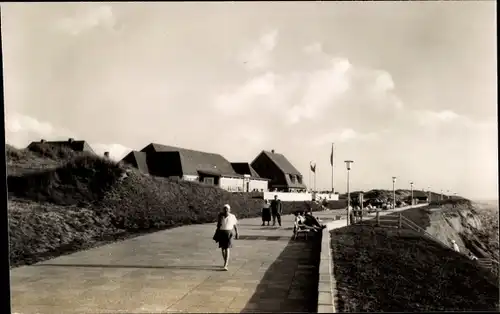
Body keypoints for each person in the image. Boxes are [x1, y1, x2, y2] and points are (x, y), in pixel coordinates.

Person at [215, 204, 239, 270]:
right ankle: (225, 261)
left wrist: (237, 233)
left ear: (229, 210)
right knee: (222, 249)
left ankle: (225, 264)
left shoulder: (232, 216)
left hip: (229, 233)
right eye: (224, 209)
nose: (226, 210)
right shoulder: (220, 216)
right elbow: (218, 225)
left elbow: (235, 225)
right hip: (222, 232)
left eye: (227, 209)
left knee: (227, 248)